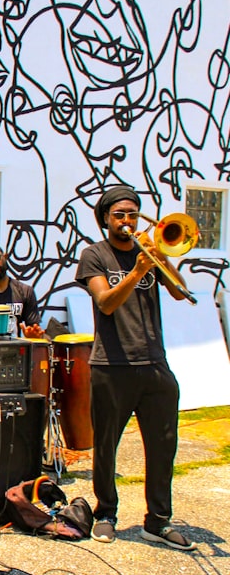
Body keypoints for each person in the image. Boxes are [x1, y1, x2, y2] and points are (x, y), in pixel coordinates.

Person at [75, 186, 196, 551]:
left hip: (155, 363)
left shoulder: (149, 253)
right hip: (112, 365)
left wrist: (162, 256)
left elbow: (180, 291)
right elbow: (106, 303)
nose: (126, 220)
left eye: (132, 213)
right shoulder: (94, 255)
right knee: (107, 445)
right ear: (105, 219)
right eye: (119, 214)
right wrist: (137, 271)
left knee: (163, 446)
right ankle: (106, 513)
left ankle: (158, 521)